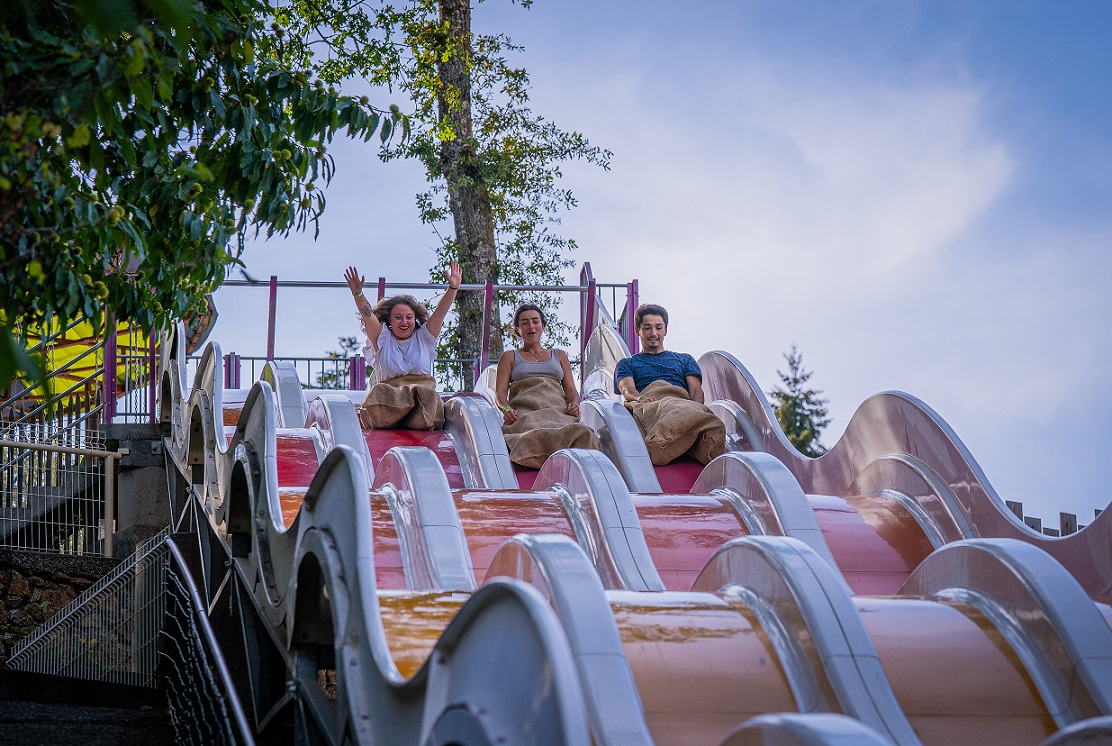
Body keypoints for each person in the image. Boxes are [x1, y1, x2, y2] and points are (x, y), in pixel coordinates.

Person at [344, 261, 461, 429]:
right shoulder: (382, 339)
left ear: (415, 319)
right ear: (390, 321)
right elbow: (368, 315)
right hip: (390, 404)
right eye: (398, 317)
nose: (404, 322)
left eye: (409, 317)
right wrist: (358, 294)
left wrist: (453, 288)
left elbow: (440, 313)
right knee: (378, 392)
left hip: (421, 404)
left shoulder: (424, 337)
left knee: (426, 394)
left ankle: (417, 416)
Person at [614, 303, 725, 465]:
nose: (653, 333)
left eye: (658, 328)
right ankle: (659, 444)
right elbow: (627, 389)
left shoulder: (684, 359)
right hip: (651, 402)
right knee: (668, 407)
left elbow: (696, 392)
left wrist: (696, 411)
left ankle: (689, 438)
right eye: (647, 328)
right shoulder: (627, 364)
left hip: (680, 402)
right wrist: (640, 398)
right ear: (637, 330)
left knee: (699, 416)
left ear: (665, 330)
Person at [494, 304, 601, 468]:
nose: (531, 326)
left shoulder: (559, 355)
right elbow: (500, 393)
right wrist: (506, 409)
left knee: (584, 433)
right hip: (527, 412)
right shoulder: (510, 357)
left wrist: (574, 403)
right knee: (528, 435)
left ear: (542, 326)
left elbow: (570, 390)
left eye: (535, 321)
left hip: (557, 411)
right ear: (517, 329)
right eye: (525, 323)